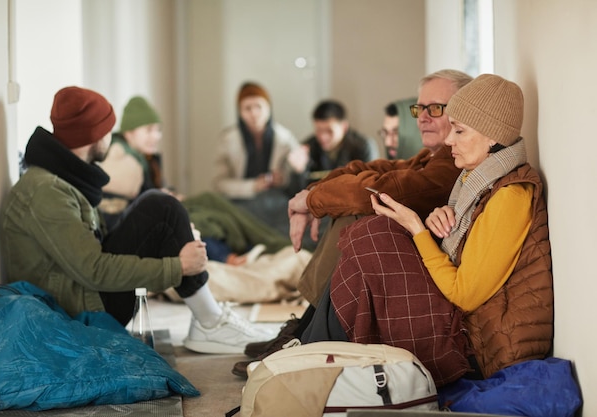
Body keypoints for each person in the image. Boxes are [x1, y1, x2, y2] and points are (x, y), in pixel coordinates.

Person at [303, 74, 553, 387]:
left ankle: (309, 358)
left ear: (491, 136)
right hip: (458, 314)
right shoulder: (478, 180)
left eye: (460, 130)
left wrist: (417, 229)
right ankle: (311, 355)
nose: (450, 140)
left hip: (472, 341)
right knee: (373, 235)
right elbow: (463, 244)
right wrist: (438, 217)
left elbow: (464, 295)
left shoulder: (510, 196)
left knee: (374, 237)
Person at [232, 69, 473, 377]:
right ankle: (304, 330)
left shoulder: (449, 166)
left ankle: (306, 337)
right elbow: (366, 169)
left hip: (429, 287)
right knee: (343, 211)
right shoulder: (430, 157)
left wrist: (312, 201)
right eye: (419, 108)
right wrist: (311, 193)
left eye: (435, 108)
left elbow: (376, 194)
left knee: (357, 214)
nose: (423, 117)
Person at [0, 86, 273, 355]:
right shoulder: (46, 191)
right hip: (82, 310)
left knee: (163, 208)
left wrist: (175, 239)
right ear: (94, 135)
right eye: (108, 129)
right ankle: (210, 322)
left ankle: (210, 318)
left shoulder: (62, 179)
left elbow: (95, 245)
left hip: (86, 295)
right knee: (161, 205)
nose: (111, 135)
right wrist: (178, 267)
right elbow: (93, 269)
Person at [99, 95, 290, 263]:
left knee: (210, 201)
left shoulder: (144, 157)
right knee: (200, 217)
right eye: (149, 130)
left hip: (151, 208)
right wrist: (158, 196)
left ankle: (258, 247)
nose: (156, 136)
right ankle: (235, 255)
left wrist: (163, 194)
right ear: (129, 131)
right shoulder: (121, 155)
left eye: (158, 130)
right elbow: (123, 198)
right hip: (139, 219)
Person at [212, 81, 300, 239]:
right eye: (247, 108)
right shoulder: (227, 139)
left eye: (259, 107)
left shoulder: (285, 138)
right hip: (240, 202)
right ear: (239, 111)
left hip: (274, 200)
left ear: (269, 108)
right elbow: (219, 183)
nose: (254, 113)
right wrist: (253, 186)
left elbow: (294, 179)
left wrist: (281, 179)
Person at [286, 99, 379, 195]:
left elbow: (369, 188)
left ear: (344, 127)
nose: (323, 137)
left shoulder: (362, 147)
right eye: (318, 130)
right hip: (317, 204)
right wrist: (299, 172)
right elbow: (296, 194)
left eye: (329, 131)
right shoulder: (308, 147)